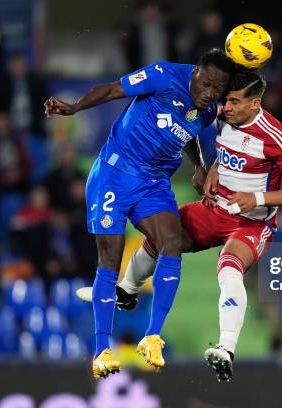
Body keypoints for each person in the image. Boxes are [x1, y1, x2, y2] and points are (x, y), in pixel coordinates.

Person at [77, 70, 282, 381]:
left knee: (228, 267)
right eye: (225, 100)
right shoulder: (221, 116)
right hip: (216, 208)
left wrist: (257, 198)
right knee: (164, 238)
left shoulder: (276, 137)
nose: (225, 107)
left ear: (255, 102)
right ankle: (126, 291)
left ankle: (226, 348)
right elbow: (227, 150)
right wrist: (210, 168)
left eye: (233, 102)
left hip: (250, 222)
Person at [44, 49, 235, 379]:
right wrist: (74, 108)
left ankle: (153, 336)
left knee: (171, 242)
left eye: (218, 89)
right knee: (111, 258)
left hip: (154, 182)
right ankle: (102, 349)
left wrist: (201, 167)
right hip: (114, 173)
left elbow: (187, 133)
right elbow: (113, 89)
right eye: (207, 84)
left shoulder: (207, 110)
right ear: (195, 74)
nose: (211, 93)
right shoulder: (163, 75)